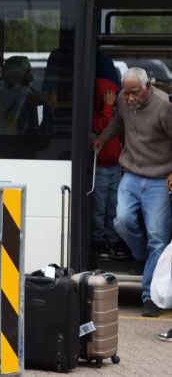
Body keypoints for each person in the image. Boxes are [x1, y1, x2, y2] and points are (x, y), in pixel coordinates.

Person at [93, 67, 172, 317]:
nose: (128, 98)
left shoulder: (163, 106)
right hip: (132, 173)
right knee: (122, 221)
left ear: (148, 86)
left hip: (159, 177)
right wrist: (103, 138)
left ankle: (150, 296)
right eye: (125, 93)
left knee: (158, 237)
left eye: (134, 92)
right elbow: (118, 121)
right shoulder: (123, 100)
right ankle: (142, 254)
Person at [90, 76, 126, 261]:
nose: (113, 97)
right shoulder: (97, 116)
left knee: (114, 207)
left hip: (115, 167)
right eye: (109, 94)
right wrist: (107, 107)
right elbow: (104, 130)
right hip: (102, 169)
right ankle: (99, 240)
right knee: (99, 209)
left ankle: (113, 240)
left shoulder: (114, 113)